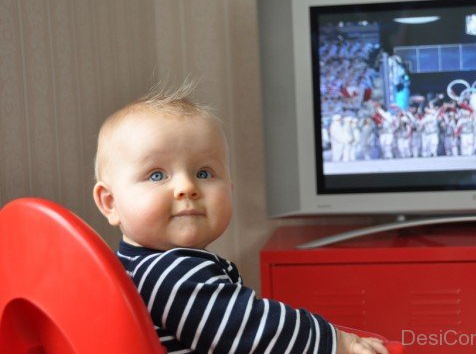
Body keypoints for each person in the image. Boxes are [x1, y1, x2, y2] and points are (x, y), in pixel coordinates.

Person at [92, 81, 388, 354]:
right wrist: (337, 342)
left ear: (230, 187)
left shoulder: (138, 265)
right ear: (110, 202)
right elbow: (252, 330)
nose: (187, 188)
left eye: (204, 173)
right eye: (156, 175)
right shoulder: (170, 274)